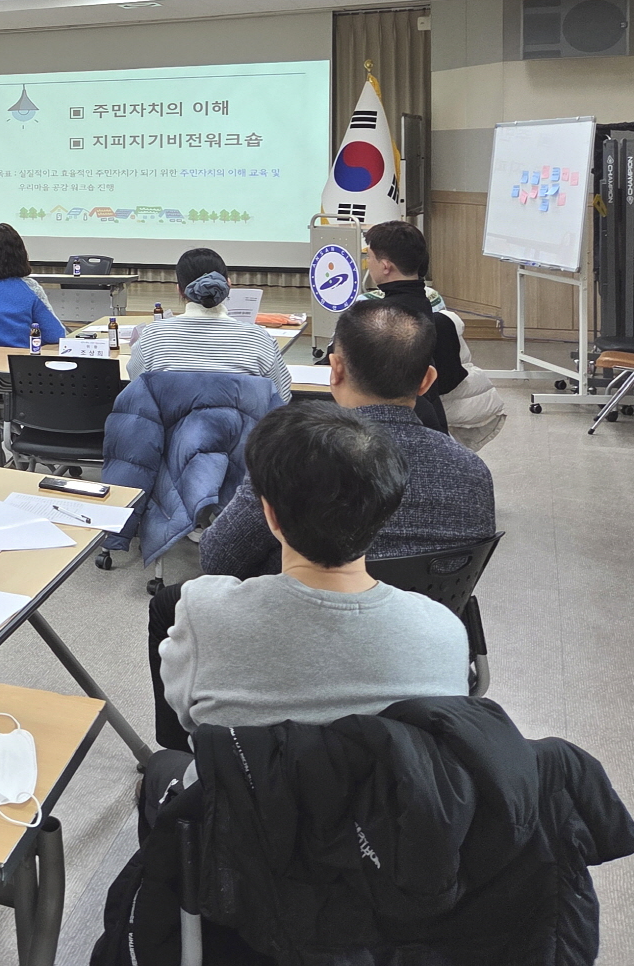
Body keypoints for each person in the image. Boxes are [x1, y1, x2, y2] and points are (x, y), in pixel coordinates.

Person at [152, 299, 494, 750]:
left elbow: (219, 558)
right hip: (414, 650)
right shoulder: (472, 473)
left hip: (286, 640)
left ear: (335, 369)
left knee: (172, 602)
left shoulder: (294, 458)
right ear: (428, 380)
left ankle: (177, 756)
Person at [159, 402, 471, 742]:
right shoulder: (446, 632)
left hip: (240, 776)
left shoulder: (203, 611)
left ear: (270, 515)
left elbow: (185, 716)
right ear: (386, 510)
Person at [363, 220, 506, 449]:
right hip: (435, 427)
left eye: (369, 257)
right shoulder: (433, 312)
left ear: (386, 266)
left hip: (394, 436)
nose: (368, 263)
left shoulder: (375, 320)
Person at [126, 247, 292, 401]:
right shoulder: (258, 339)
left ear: (179, 290)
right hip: (242, 425)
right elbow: (281, 398)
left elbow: (137, 390)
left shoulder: (152, 336)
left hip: (170, 424)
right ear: (228, 285)